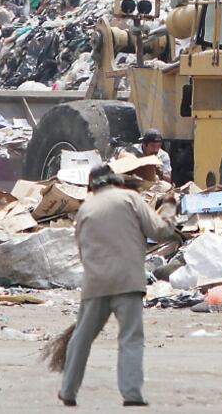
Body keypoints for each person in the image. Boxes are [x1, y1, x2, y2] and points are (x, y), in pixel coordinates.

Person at [58, 164, 180, 407]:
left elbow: (82, 251)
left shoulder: (85, 209)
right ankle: (132, 394)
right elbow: (160, 231)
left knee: (81, 338)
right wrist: (168, 206)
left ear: (90, 186)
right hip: (128, 282)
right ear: (115, 180)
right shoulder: (130, 198)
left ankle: (68, 390)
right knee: (130, 338)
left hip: (95, 284)